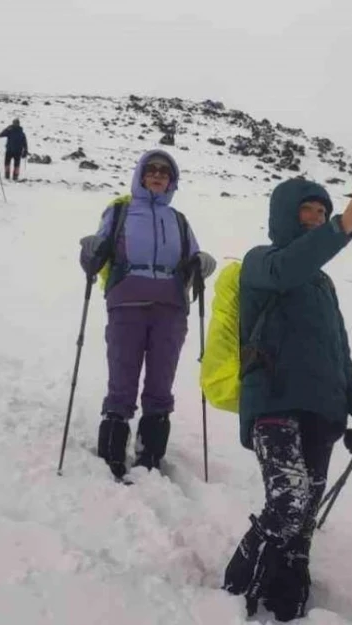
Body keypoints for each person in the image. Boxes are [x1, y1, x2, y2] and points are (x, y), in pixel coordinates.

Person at [222, 179, 352, 621]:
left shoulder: (324, 286)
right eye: (307, 211)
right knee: (289, 502)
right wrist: (341, 227)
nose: (315, 218)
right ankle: (234, 590)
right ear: (283, 214)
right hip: (273, 404)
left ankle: (286, 602)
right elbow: (287, 270)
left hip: (322, 411)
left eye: (322, 212)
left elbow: (340, 361)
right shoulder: (262, 262)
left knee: (302, 525)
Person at [77, 150, 216, 479]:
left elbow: (193, 256)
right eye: (151, 169)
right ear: (141, 175)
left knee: (161, 379)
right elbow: (99, 250)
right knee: (122, 375)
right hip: (126, 300)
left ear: (172, 181)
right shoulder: (121, 210)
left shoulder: (179, 220)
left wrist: (203, 263)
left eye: (164, 172)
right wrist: (91, 250)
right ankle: (112, 449)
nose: (157, 175)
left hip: (170, 306)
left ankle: (150, 453)